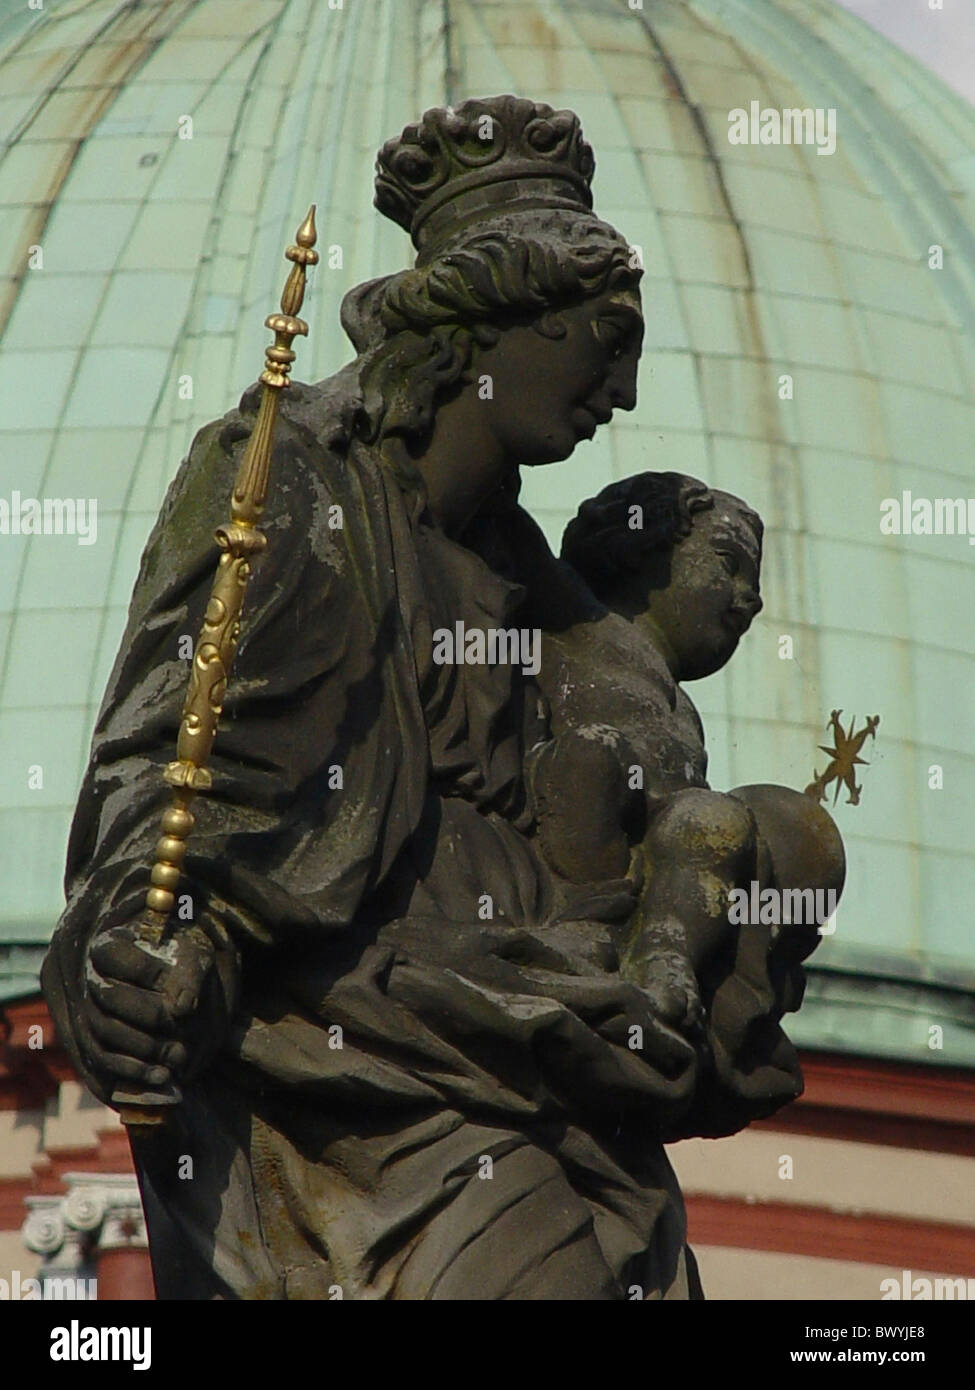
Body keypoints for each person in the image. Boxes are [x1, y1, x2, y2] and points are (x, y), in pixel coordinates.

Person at [42, 98, 824, 1300]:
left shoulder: (535, 579)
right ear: (498, 319)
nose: (621, 393)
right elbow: (163, 768)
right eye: (604, 341)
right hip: (347, 1057)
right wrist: (148, 951)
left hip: (537, 1047)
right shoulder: (290, 480)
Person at [529, 471, 844, 1034]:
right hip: (579, 818)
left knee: (718, 821)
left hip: (658, 845)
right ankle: (590, 928)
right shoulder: (575, 615)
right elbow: (506, 535)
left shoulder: (683, 710)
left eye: (754, 582)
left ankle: (665, 957)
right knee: (597, 756)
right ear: (639, 547)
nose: (751, 599)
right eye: (728, 562)